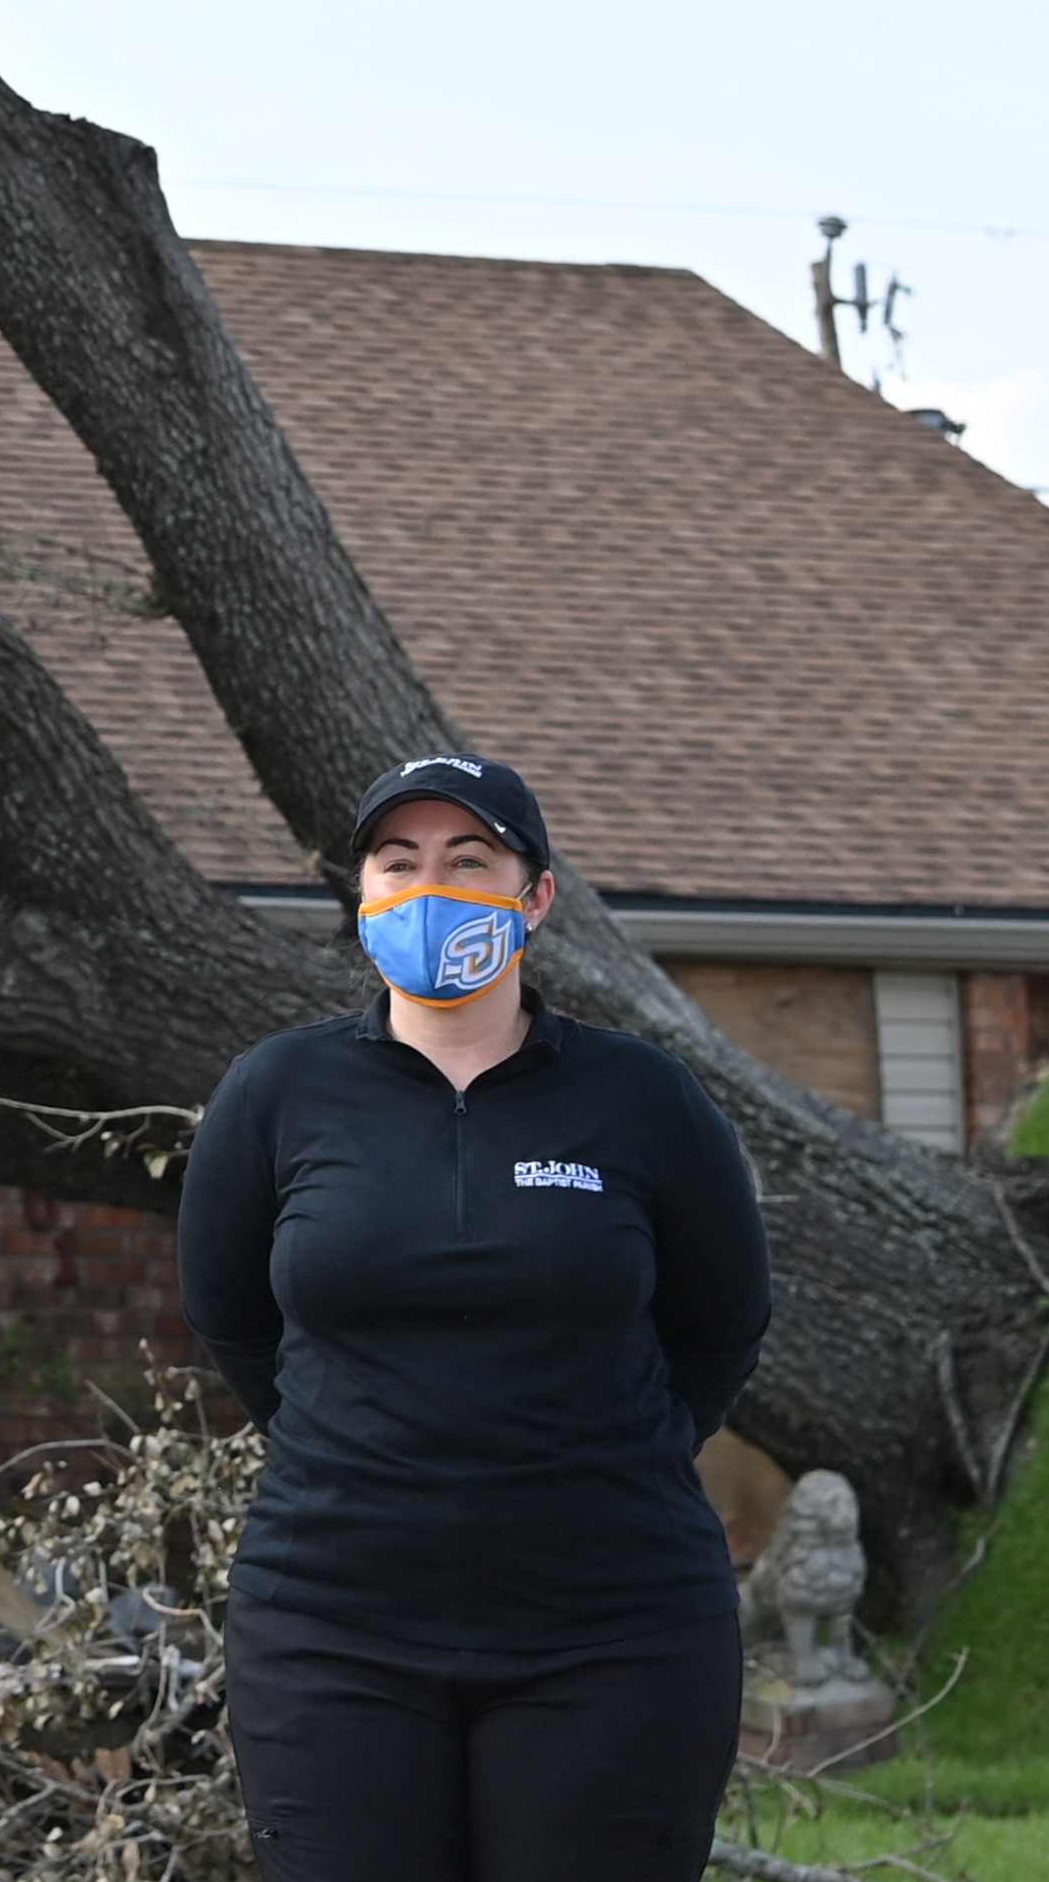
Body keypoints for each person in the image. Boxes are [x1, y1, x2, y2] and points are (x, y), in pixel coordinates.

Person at [177, 751, 774, 1882]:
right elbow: (232, 1321)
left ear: (534, 895)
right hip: (331, 1631)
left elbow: (722, 1325)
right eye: (396, 863)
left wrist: (592, 1453)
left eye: (469, 859)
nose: (429, 886)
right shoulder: (276, 1094)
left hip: (615, 1630)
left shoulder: (641, 1098)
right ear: (361, 897)